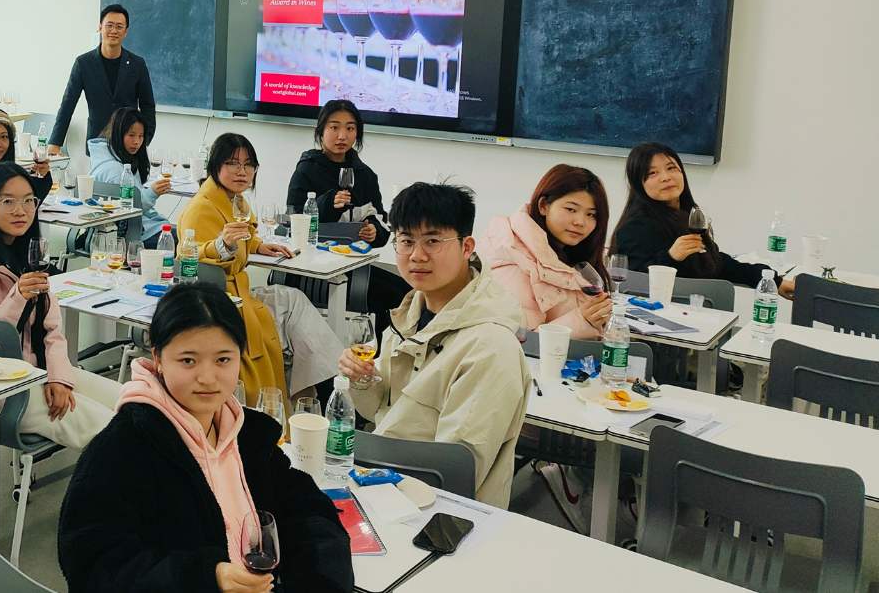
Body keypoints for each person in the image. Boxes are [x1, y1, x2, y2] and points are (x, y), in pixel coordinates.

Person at [58, 283, 353, 593]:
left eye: (223, 359)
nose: (208, 378)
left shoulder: (249, 436)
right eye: (188, 360)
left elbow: (309, 512)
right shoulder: (123, 449)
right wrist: (204, 578)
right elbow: (92, 565)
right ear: (158, 358)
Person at [337, 183, 530, 508]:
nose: (417, 255)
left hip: (440, 515)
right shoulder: (408, 316)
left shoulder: (491, 346)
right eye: (406, 241)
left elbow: (451, 472)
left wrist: (358, 455)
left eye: (433, 241)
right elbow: (377, 411)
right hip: (385, 491)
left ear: (467, 246)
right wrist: (363, 378)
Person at [0, 163, 119, 448]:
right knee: (109, 431)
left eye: (28, 200)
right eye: (8, 201)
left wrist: (59, 377)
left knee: (131, 402)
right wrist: (18, 297)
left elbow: (53, 328)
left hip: (37, 369)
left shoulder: (26, 250)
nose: (20, 210)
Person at [177, 133, 346, 396]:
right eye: (233, 163)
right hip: (221, 302)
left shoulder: (235, 200)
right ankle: (326, 389)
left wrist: (257, 246)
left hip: (240, 294)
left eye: (248, 165)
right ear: (215, 166)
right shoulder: (202, 208)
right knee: (295, 311)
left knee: (294, 302)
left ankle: (320, 388)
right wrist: (225, 246)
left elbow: (244, 233)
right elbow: (192, 254)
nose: (242, 172)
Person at [282, 99, 405, 335]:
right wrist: (328, 203)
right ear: (321, 131)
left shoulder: (365, 175)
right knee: (392, 295)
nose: (342, 135)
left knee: (406, 295)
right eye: (334, 127)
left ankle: (379, 359)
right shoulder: (307, 169)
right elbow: (291, 221)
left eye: (350, 128)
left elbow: (380, 221)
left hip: (352, 265)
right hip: (311, 268)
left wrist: (373, 231)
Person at [610, 142, 794, 295]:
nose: (666, 177)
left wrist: (772, 280)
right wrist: (670, 257)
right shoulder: (634, 227)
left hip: (699, 312)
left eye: (671, 168)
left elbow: (716, 263)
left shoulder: (688, 216)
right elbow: (629, 284)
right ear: (638, 184)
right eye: (652, 173)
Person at [478, 164, 615, 340]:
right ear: (543, 206)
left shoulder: (568, 253)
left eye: (591, 215)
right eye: (571, 209)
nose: (580, 222)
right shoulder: (513, 260)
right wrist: (582, 321)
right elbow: (516, 342)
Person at [48, 4, 156, 155]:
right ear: (100, 27)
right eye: (109, 25)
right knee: (98, 180)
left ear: (126, 31)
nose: (113, 30)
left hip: (129, 143)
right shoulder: (83, 63)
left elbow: (148, 105)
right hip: (97, 141)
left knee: (129, 179)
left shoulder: (137, 64)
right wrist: (55, 142)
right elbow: (68, 104)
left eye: (119, 26)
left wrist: (145, 139)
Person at [86, 107, 171, 247]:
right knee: (183, 241)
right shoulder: (116, 170)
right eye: (131, 135)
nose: (137, 142)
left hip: (133, 231)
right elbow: (129, 210)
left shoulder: (110, 159)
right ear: (118, 134)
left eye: (141, 136)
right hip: (131, 238)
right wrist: (152, 193)